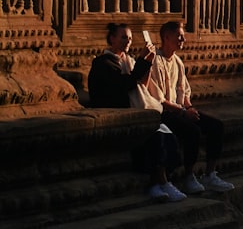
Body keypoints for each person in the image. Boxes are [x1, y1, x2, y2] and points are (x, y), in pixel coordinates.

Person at [88, 22, 186, 202]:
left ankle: (164, 181)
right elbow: (124, 85)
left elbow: (142, 83)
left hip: (134, 109)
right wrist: (141, 62)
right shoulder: (104, 63)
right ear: (112, 38)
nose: (127, 41)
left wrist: (147, 62)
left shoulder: (128, 60)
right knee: (154, 135)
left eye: (130, 38)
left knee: (166, 133)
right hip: (117, 110)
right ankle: (159, 183)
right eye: (123, 37)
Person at [145, 21, 234, 194]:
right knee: (192, 131)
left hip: (180, 110)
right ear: (166, 37)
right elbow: (158, 99)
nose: (183, 39)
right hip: (164, 112)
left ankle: (209, 173)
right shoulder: (155, 59)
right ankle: (188, 176)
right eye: (179, 36)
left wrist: (189, 109)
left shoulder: (177, 61)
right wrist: (184, 112)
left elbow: (184, 91)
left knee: (216, 126)